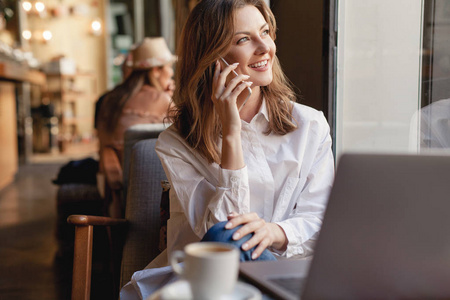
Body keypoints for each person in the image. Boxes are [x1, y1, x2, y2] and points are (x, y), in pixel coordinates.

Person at [154, 0, 335, 264]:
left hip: (286, 274)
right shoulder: (174, 143)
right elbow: (222, 238)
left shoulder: (311, 125)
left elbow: (321, 222)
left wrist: (273, 232)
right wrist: (231, 132)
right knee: (228, 236)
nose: (265, 48)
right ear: (211, 57)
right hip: (212, 280)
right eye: (243, 40)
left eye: (264, 33)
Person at [97, 37, 176, 217]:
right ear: (156, 70)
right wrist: (170, 98)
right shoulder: (161, 99)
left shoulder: (111, 98)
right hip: (147, 184)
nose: (171, 73)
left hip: (113, 183)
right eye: (169, 67)